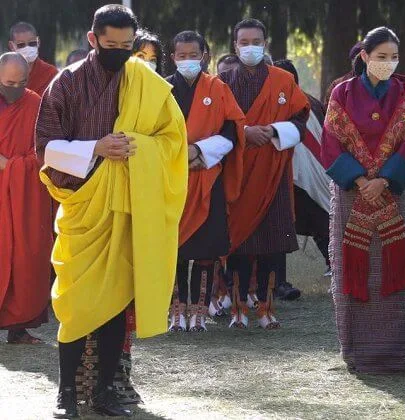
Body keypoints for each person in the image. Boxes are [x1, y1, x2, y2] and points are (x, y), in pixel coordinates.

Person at [35, 5, 187, 418]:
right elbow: (45, 147)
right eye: (110, 44)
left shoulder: (144, 81)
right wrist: (96, 148)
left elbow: (173, 139)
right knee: (74, 301)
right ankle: (66, 394)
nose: (119, 52)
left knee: (117, 301)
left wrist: (137, 144)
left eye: (126, 45)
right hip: (84, 204)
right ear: (93, 39)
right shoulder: (65, 84)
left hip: (126, 206)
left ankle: (104, 392)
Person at [321, 26, 405, 373]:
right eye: (381, 57)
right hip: (352, 192)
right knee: (353, 269)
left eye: (394, 57)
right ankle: (357, 354)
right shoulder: (342, 93)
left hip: (391, 192)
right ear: (364, 57)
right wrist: (362, 180)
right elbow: (331, 141)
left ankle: (392, 356)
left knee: (389, 274)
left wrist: (383, 181)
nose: (388, 63)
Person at [219, 18, 309, 329]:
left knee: (272, 245)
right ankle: (238, 308)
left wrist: (270, 130)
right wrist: (245, 132)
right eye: (244, 42)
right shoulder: (223, 82)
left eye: (256, 41)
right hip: (238, 174)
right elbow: (217, 125)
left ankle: (267, 308)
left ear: (265, 43)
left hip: (273, 174)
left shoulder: (283, 81)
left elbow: (300, 121)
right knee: (239, 244)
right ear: (235, 45)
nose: (250, 47)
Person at [166, 30, 245, 331]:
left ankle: (198, 312)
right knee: (173, 249)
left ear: (205, 55)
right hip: (172, 180)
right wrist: (180, 155)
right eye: (181, 55)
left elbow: (231, 130)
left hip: (207, 177)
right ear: (172, 58)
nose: (187, 60)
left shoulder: (218, 88)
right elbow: (153, 133)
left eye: (193, 55)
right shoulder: (163, 90)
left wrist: (199, 152)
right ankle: (176, 311)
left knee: (204, 249)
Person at [0, 53, 53, 345]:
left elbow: (45, 150)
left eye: (21, 82)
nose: (15, 88)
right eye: (9, 82)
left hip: (24, 196)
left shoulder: (35, 103)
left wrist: (12, 166)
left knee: (25, 254)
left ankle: (18, 327)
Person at [274, 58, 331, 281]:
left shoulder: (303, 101)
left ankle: (334, 262)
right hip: (287, 171)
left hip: (308, 171)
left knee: (318, 216)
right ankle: (277, 281)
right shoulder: (285, 100)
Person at [8, 22, 58, 96]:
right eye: (21, 45)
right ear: (11, 46)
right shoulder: (4, 73)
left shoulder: (51, 73)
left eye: (32, 43)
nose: (27, 48)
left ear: (38, 42)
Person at [323, 41, 362, 108]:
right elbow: (328, 112)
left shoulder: (380, 84)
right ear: (352, 61)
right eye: (359, 59)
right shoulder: (338, 85)